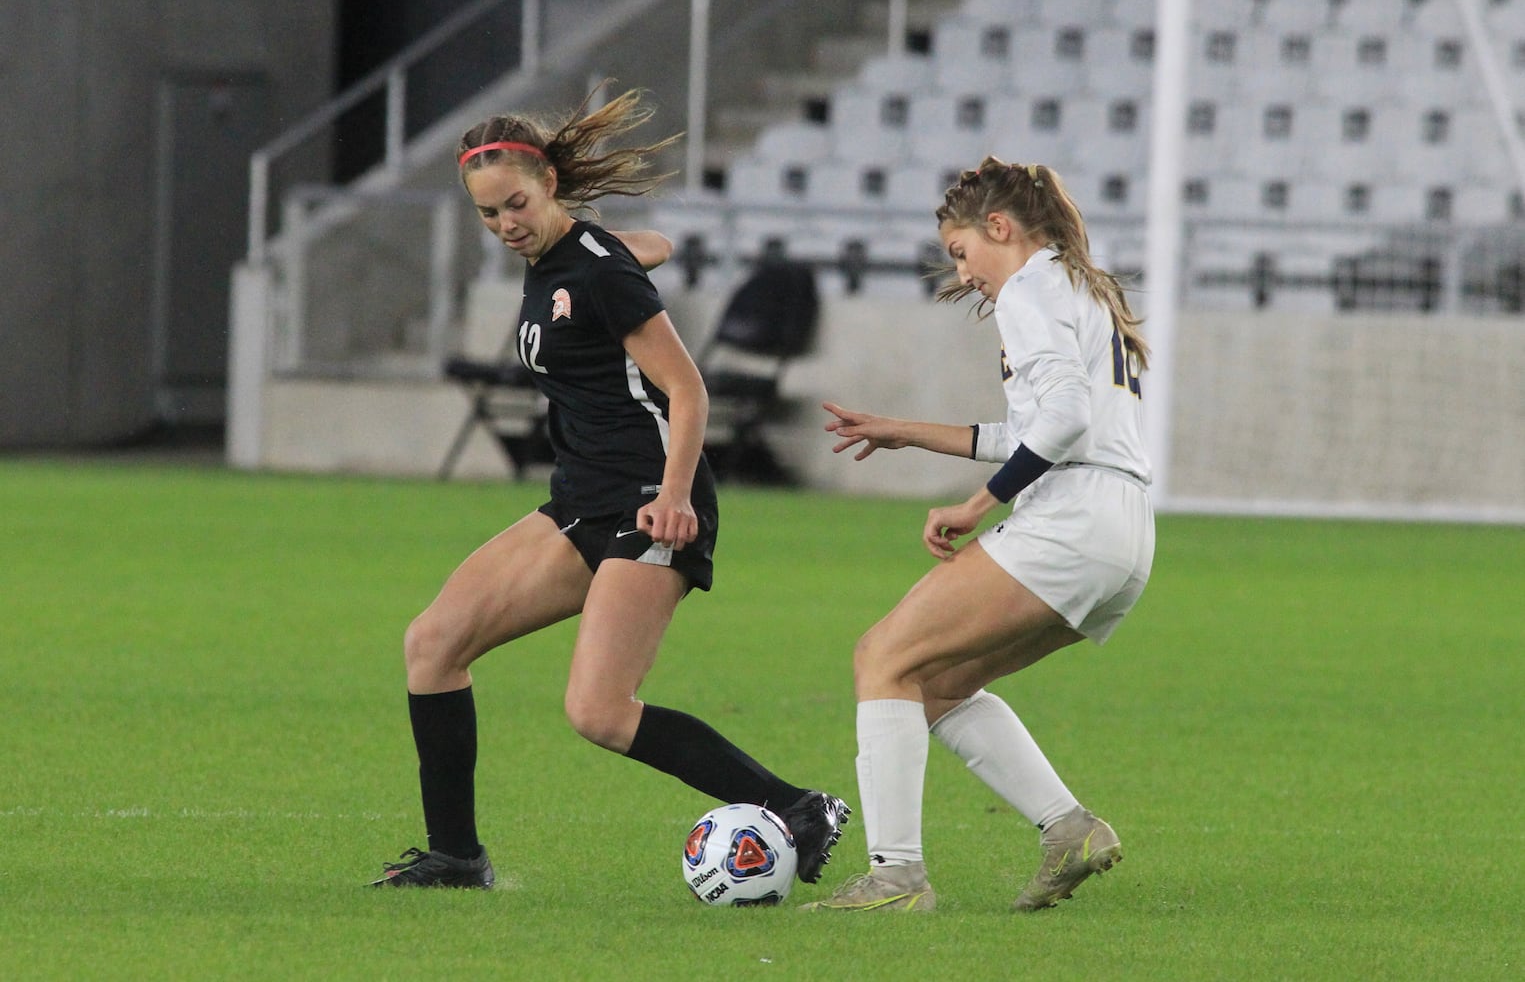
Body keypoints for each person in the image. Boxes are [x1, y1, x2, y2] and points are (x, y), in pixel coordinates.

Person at [370, 85, 848, 890]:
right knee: (432, 645)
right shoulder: (568, 259)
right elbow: (647, 243)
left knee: (598, 712)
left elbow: (688, 391)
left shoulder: (591, 273)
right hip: (580, 503)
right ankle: (456, 858)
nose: (504, 224)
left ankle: (800, 806)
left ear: (548, 181)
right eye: (487, 215)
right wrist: (622, 251)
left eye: (514, 204)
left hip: (650, 503)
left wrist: (673, 500)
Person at [805, 158, 1153, 913]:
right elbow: (1036, 427)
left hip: (1071, 519)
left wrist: (977, 505)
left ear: (998, 228)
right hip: (1122, 532)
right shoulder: (1074, 283)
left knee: (882, 656)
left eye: (961, 254)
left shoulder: (1028, 286)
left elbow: (1064, 421)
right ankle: (1069, 830)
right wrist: (907, 432)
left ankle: (896, 879)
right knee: (932, 684)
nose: (962, 276)